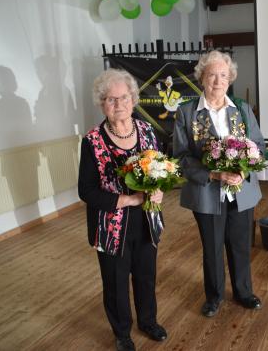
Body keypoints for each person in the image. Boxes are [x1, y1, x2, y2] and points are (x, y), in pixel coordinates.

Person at [78, 69, 167, 351]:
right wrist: (127, 200)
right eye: (110, 99)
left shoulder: (148, 131)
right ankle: (122, 333)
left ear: (133, 98)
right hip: (111, 224)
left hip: (146, 219)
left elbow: (163, 169)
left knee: (145, 273)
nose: (118, 104)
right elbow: (87, 190)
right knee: (115, 281)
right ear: (102, 103)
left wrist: (160, 189)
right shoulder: (92, 141)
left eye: (123, 97)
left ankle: (148, 321)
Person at [173, 51, 265, 317]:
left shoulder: (242, 109)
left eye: (223, 75)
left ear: (230, 78)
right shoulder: (187, 112)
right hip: (206, 192)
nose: (218, 80)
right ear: (201, 77)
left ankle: (243, 292)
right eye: (212, 74)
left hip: (242, 190)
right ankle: (214, 296)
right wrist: (212, 174)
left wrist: (243, 169)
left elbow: (258, 145)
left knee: (240, 244)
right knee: (212, 247)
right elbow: (180, 157)